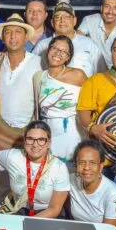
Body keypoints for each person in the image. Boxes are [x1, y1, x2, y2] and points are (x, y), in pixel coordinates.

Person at [0, 13, 43, 197]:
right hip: (0, 131)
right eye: (8, 32)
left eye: (18, 32)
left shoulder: (38, 62)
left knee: (27, 186)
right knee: (2, 185)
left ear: (26, 37)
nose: (12, 36)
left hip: (28, 133)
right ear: (3, 38)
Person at [0, 120, 69, 217]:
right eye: (30, 139)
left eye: (41, 140)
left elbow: (55, 209)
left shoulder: (59, 167)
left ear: (48, 143)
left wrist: (29, 222)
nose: (35, 145)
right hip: (16, 208)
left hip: (46, 213)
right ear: (24, 141)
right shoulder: (13, 157)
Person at [35, 35, 87, 164]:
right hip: (48, 133)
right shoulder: (39, 76)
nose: (58, 53)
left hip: (72, 133)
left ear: (68, 57)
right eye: (55, 48)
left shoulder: (78, 75)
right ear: (48, 50)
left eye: (64, 51)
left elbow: (91, 101)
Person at [32, 2, 105, 76]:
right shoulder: (42, 46)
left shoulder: (90, 44)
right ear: (52, 23)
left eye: (67, 16)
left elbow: (103, 73)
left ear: (74, 21)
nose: (62, 20)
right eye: (57, 17)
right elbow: (31, 71)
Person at [67, 140, 116, 225]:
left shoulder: (112, 193)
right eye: (82, 162)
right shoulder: (71, 180)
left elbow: (110, 229)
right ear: (76, 165)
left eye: (92, 163)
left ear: (101, 166)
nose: (86, 167)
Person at [78, 0, 116, 67]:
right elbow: (76, 40)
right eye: (107, 6)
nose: (110, 12)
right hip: (91, 64)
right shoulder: (89, 20)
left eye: (115, 7)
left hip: (115, 67)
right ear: (101, 8)